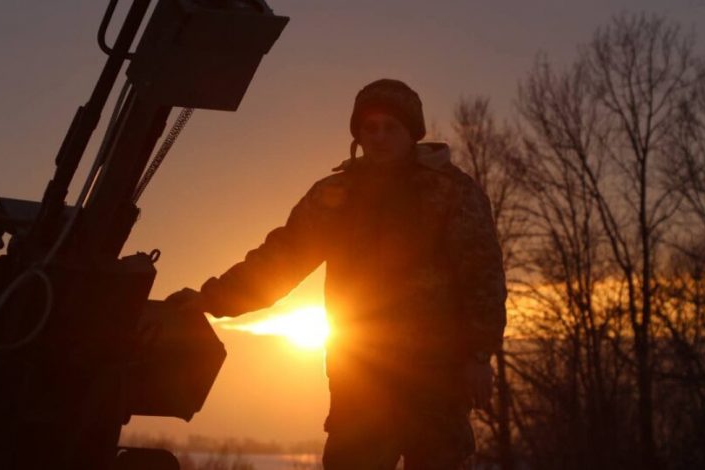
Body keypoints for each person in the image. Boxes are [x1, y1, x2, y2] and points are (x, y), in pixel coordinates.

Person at [167, 79, 507, 469]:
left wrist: (478, 355)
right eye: (370, 128)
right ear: (358, 135)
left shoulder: (452, 192)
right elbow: (281, 259)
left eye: (391, 127)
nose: (379, 137)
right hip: (360, 376)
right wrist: (212, 298)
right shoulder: (336, 197)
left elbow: (482, 275)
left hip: (437, 378)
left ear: (412, 133)